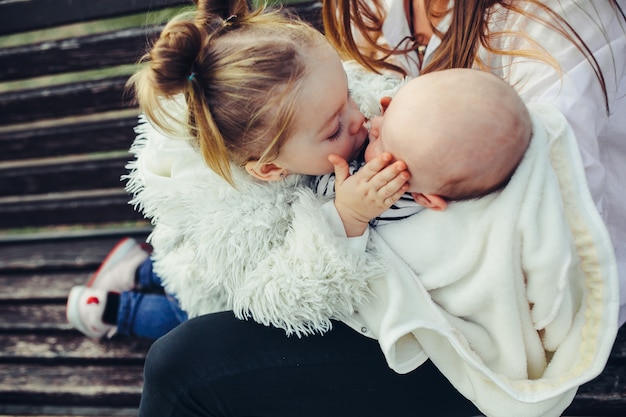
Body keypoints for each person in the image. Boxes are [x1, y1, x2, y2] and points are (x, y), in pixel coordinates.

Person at [133, 1, 624, 417]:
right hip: (329, 286)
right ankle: (139, 286)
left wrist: (413, 165)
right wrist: (347, 219)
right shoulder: (366, 23)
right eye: (334, 127)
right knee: (179, 344)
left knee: (178, 366)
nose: (364, 121)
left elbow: (541, 192)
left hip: (448, 315)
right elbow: (282, 286)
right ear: (267, 168)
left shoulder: (554, 19)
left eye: (352, 104)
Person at [324, 0, 626, 325]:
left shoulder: (550, 21)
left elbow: (551, 217)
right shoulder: (371, 8)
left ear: (427, 197)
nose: (372, 119)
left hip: (495, 311)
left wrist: (347, 219)